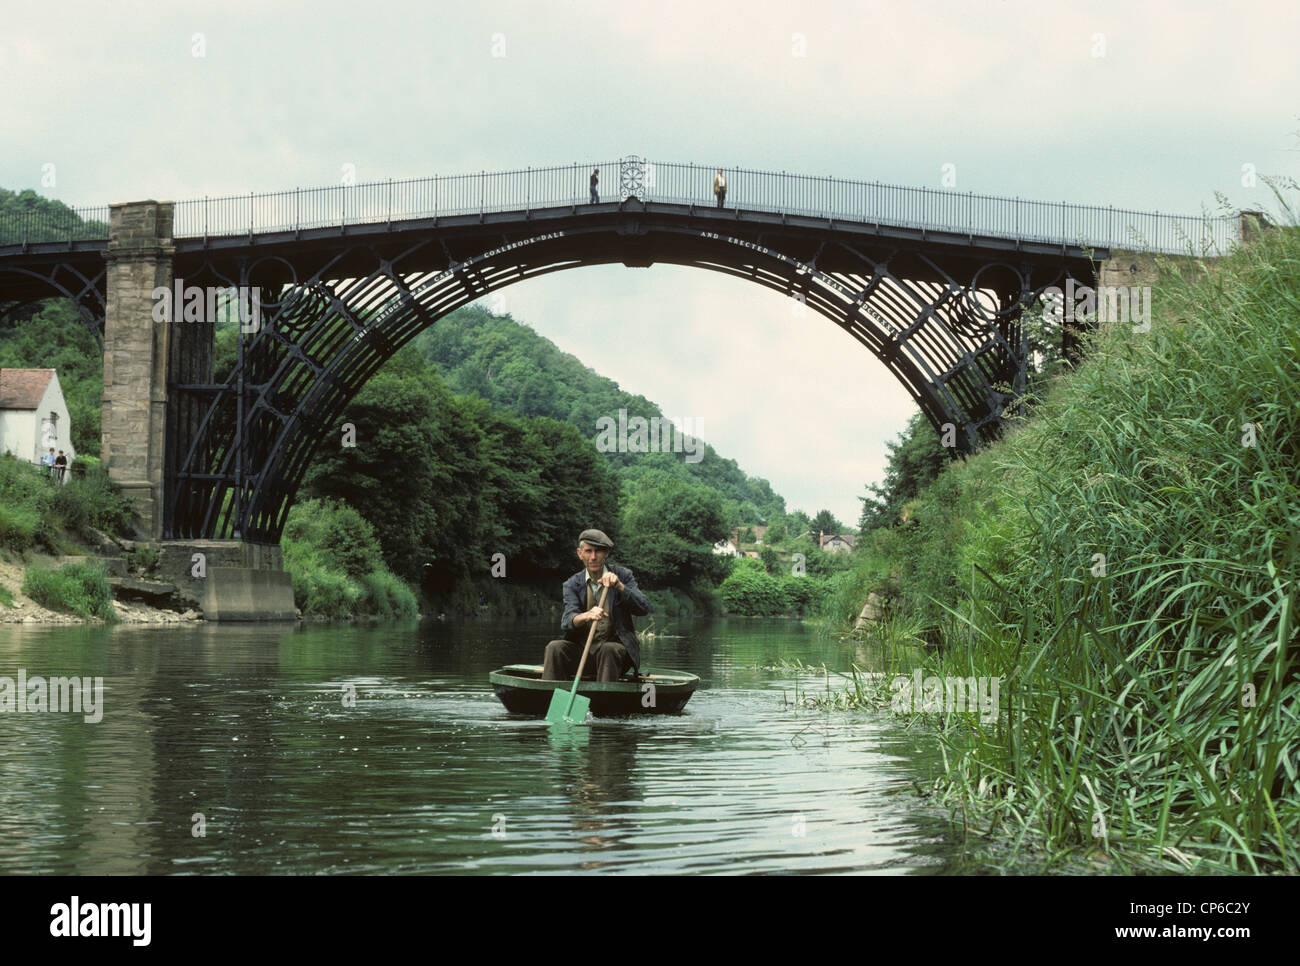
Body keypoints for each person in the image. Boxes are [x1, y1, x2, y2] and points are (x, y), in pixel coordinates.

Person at [542, 529, 650, 683]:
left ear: (606, 553)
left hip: (617, 656)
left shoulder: (623, 576)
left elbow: (644, 608)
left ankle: (605, 702)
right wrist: (586, 615)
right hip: (583, 655)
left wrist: (620, 586)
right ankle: (549, 700)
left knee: (608, 649)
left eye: (598, 551)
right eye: (588, 551)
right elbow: (567, 621)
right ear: (580, 553)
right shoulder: (572, 584)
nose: (593, 557)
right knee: (554, 647)